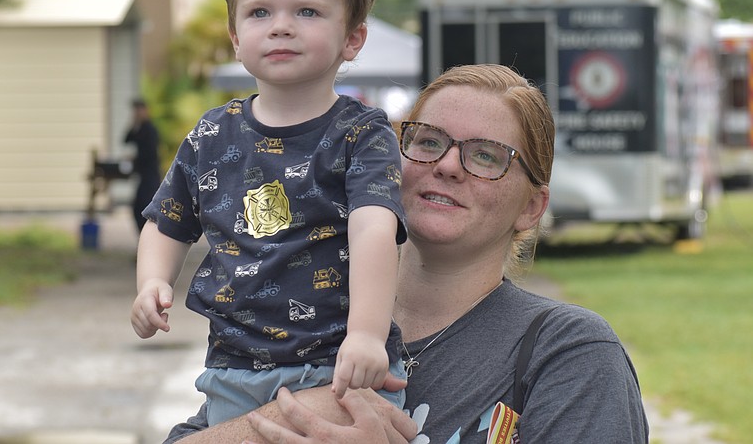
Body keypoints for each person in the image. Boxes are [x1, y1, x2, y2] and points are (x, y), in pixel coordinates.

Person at [161, 64, 649, 444]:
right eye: (429, 142)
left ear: (532, 207)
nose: (448, 165)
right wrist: (302, 414)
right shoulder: (306, 314)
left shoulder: (568, 353)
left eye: (486, 155)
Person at [131, 0, 407, 428]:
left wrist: (366, 335)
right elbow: (167, 221)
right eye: (261, 12)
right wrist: (152, 281)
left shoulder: (362, 134)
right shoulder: (212, 134)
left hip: (336, 366)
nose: (281, 25)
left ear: (353, 38)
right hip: (233, 368)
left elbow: (375, 229)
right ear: (237, 37)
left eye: (307, 10)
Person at [124, 98, 161, 233]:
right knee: (138, 208)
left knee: (144, 207)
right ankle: (141, 239)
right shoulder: (138, 129)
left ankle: (147, 239)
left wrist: (135, 159)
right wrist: (133, 125)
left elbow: (150, 153)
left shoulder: (150, 129)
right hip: (142, 174)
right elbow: (126, 140)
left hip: (150, 175)